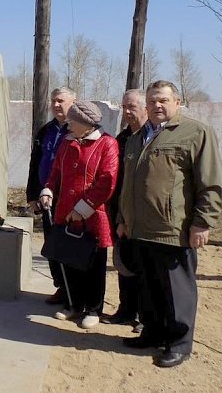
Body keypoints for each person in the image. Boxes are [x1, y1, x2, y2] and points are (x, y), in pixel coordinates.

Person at [117, 80, 222, 368]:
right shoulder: (137, 137)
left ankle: (179, 342)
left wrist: (202, 223)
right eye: (151, 101)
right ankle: (153, 332)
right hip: (140, 229)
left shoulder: (195, 133)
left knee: (178, 291)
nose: (156, 106)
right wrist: (124, 219)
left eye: (163, 100)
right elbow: (128, 185)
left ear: (177, 102)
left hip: (173, 231)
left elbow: (210, 184)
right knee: (149, 287)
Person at [39, 100, 118, 329]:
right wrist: (48, 190)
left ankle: (93, 308)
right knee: (69, 258)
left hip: (92, 214)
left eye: (72, 120)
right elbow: (55, 172)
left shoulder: (107, 144)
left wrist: (83, 209)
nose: (68, 123)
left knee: (93, 263)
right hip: (65, 211)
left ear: (85, 123)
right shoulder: (67, 142)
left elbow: (107, 181)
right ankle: (74, 304)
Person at [101, 89, 147, 332]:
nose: (127, 112)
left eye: (132, 107)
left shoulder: (152, 137)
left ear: (145, 109)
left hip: (145, 217)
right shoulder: (121, 139)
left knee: (143, 267)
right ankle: (126, 310)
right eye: (125, 107)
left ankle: (142, 316)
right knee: (123, 263)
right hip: (121, 213)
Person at [26, 86, 75, 305]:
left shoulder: (78, 130)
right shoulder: (46, 130)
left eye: (61, 101)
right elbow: (35, 163)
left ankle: (73, 290)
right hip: (46, 200)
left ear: (73, 102)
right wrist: (32, 195)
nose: (56, 105)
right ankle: (60, 287)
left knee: (69, 246)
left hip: (69, 200)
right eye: (53, 101)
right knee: (52, 244)